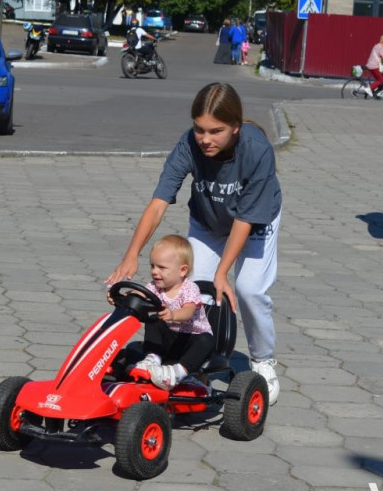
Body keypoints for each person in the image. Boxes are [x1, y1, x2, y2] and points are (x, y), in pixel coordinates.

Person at [106, 82, 282, 404]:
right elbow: (159, 202)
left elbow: (243, 221)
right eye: (199, 129)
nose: (205, 139)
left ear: (235, 128)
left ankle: (262, 359)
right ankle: (192, 362)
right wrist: (131, 255)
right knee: (189, 288)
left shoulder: (257, 151)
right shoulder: (189, 145)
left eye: (216, 131)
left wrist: (223, 272)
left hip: (254, 220)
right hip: (208, 220)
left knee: (249, 289)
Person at [108, 235, 214, 390]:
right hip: (168, 340)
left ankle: (176, 373)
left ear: (182, 270)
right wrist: (120, 298)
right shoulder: (153, 287)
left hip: (190, 340)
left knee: (207, 340)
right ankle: (152, 359)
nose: (155, 272)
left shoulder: (190, 288)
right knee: (154, 320)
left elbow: (188, 311)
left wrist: (173, 315)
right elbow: (138, 295)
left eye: (161, 268)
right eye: (152, 266)